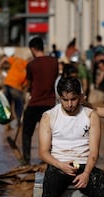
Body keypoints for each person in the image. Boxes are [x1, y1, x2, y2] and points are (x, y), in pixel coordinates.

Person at [22, 36, 59, 165]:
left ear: (32, 49)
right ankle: (50, 160)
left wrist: (28, 92)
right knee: (49, 133)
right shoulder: (54, 62)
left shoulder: (31, 65)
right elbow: (53, 79)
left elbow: (29, 85)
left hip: (35, 103)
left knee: (27, 133)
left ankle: (26, 160)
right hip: (49, 104)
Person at [0, 54, 28, 127]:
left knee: (7, 105)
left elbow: (4, 59)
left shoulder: (18, 60)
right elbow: (25, 85)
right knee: (19, 106)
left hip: (7, 84)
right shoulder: (29, 70)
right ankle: (19, 123)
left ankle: (7, 125)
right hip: (17, 88)